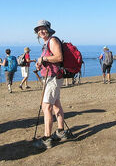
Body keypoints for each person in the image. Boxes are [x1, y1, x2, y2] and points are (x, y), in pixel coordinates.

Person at [33, 20, 69, 149]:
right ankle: (61, 131)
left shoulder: (53, 41)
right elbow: (50, 59)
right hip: (51, 77)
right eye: (38, 29)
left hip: (53, 78)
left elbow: (59, 57)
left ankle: (47, 139)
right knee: (55, 104)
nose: (41, 31)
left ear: (48, 29)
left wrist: (43, 59)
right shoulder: (46, 43)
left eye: (43, 28)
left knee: (46, 107)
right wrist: (40, 63)